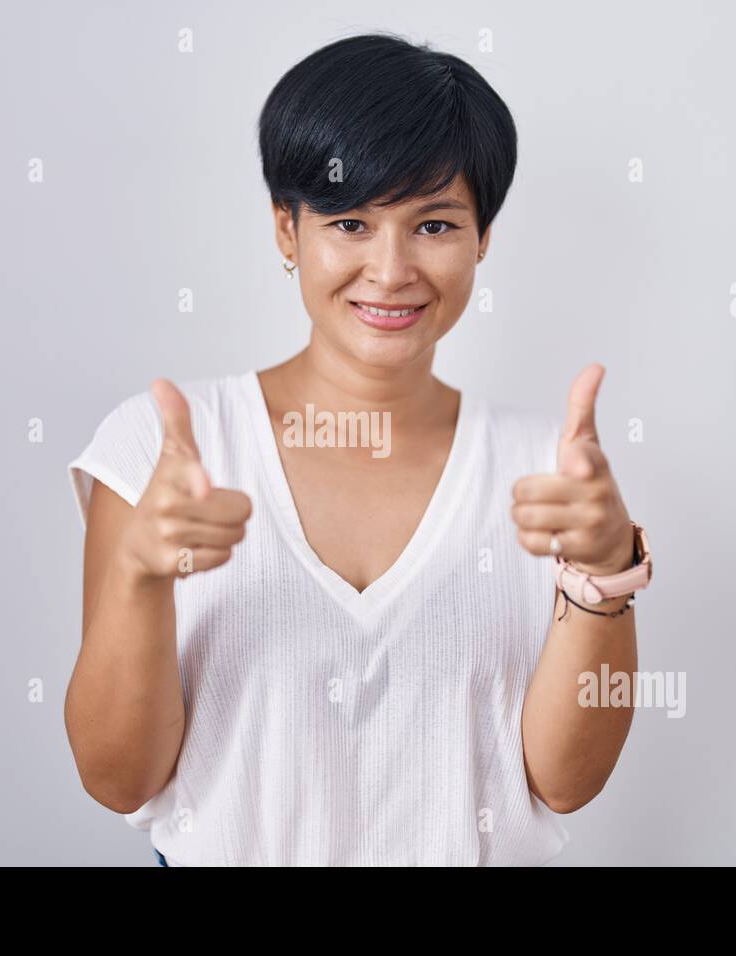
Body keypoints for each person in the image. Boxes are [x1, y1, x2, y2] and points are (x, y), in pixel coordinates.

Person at [64, 32, 651, 866]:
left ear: (482, 237)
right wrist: (141, 577)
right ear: (286, 230)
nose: (390, 269)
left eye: (434, 224)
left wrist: (602, 580)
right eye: (349, 222)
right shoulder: (162, 451)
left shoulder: (549, 475)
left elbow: (565, 782)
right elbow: (118, 779)